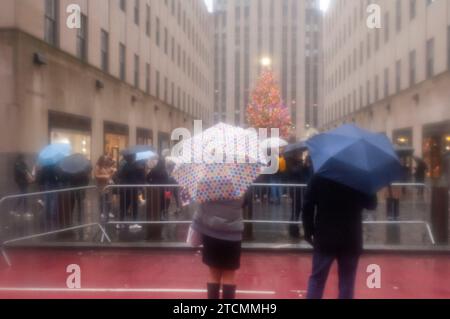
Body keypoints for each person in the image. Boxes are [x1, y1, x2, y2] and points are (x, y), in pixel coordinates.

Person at [302, 175, 378, 299]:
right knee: (347, 282)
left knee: (317, 279)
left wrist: (308, 230)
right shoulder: (359, 177)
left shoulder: (320, 176)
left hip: (325, 236)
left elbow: (307, 205)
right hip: (351, 236)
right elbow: (371, 204)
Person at [192, 199, 245, 299]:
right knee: (229, 275)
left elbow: (202, 208)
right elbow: (245, 203)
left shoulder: (207, 186)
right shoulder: (240, 186)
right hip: (233, 236)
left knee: (213, 274)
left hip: (211, 234)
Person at [116, 154, 146, 231]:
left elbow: (119, 175)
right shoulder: (137, 166)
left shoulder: (124, 166)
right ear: (134, 158)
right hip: (133, 189)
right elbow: (142, 177)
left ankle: (120, 223)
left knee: (124, 206)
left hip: (124, 189)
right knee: (134, 206)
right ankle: (134, 223)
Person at [95, 155, 116, 220]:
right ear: (101, 160)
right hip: (101, 185)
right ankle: (102, 213)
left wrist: (113, 172)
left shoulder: (108, 166)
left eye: (106, 160)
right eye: (104, 160)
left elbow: (110, 176)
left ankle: (109, 212)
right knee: (102, 199)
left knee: (109, 200)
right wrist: (104, 176)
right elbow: (96, 176)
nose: (106, 161)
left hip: (108, 185)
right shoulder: (98, 167)